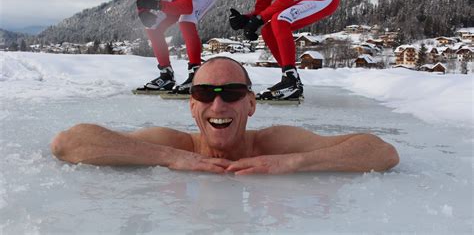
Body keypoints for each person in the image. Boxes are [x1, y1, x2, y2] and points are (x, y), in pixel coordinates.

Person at [50, 57, 399, 175]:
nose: (218, 107)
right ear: (191, 104)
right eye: (205, 94)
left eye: (231, 93)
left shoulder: (274, 144)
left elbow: (381, 152)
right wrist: (171, 158)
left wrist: (292, 162)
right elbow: (70, 143)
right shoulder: (175, 145)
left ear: (251, 103)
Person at [227, 0, 340, 100]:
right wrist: (246, 19)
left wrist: (257, 19)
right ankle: (290, 78)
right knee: (268, 30)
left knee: (280, 21)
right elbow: (262, 9)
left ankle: (291, 82)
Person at [123, 0, 219, 93]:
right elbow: (143, 2)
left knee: (186, 21)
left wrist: (156, 4)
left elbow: (186, 7)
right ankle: (166, 75)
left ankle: (196, 74)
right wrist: (143, 13)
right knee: (152, 27)